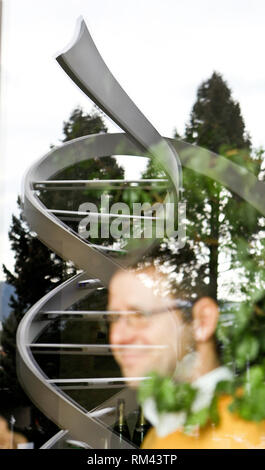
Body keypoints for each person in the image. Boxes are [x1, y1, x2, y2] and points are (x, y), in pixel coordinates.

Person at [108, 262, 265, 449]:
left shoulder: (251, 430)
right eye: (115, 318)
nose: (117, 337)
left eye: (139, 315)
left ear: (202, 321)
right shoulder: (159, 435)